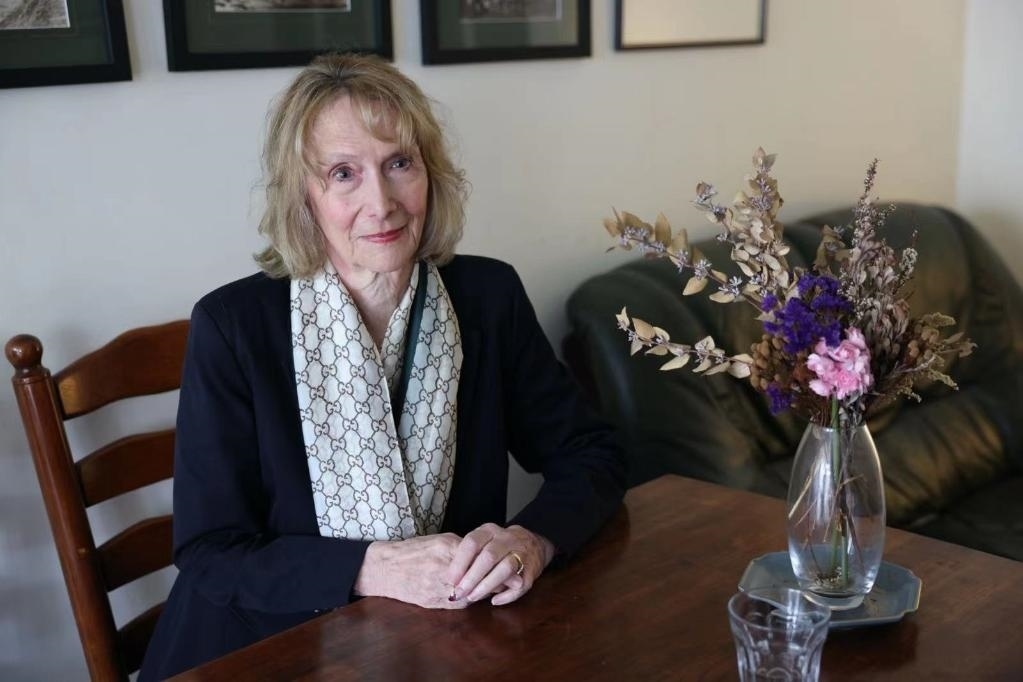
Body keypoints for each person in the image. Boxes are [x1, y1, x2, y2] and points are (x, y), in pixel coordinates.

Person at [139, 53, 625, 680]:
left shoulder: (487, 298)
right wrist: (372, 567)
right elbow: (210, 550)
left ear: (430, 173)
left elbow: (591, 454)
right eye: (344, 173)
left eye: (399, 164)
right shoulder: (232, 327)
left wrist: (531, 539)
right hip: (263, 647)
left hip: (445, 641)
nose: (382, 203)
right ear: (305, 196)